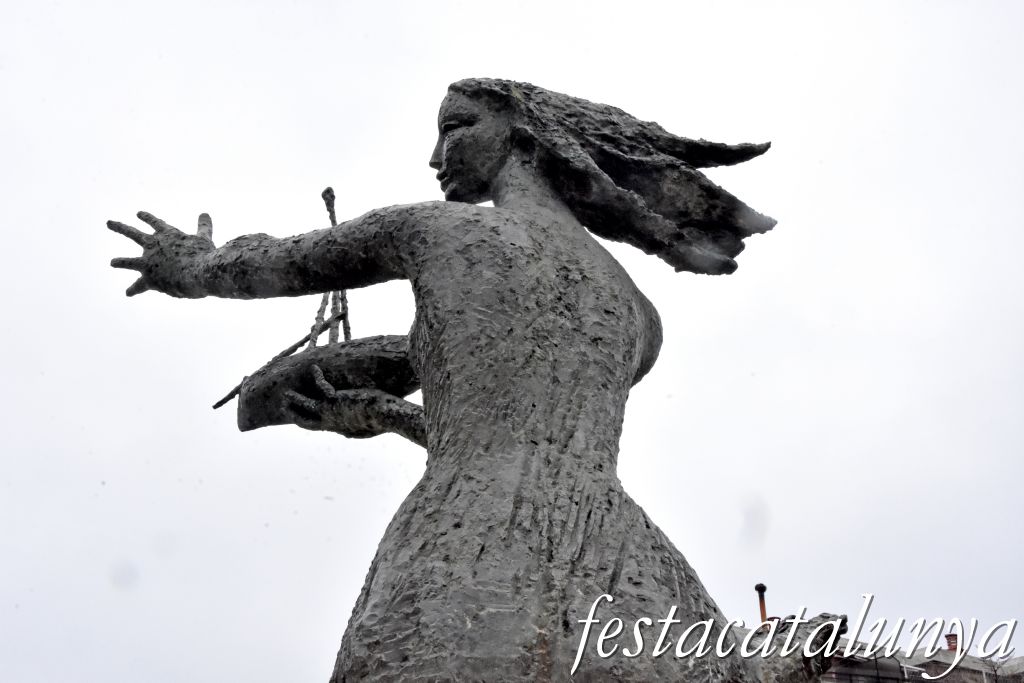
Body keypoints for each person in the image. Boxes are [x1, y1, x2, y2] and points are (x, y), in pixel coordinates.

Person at [109, 79, 781, 681]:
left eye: (455, 128)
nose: (436, 157)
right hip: (618, 565)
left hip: (467, 547)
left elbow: (277, 266)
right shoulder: (640, 315)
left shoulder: (431, 232)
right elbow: (511, 407)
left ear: (522, 137)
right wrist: (384, 415)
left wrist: (189, 267)